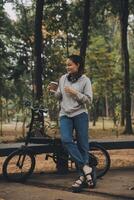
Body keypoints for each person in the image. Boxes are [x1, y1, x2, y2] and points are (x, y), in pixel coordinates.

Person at [47, 54, 96, 193]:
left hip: (80, 114)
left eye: (70, 65)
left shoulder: (85, 80)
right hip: (65, 115)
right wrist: (53, 91)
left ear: (78, 65)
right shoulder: (63, 78)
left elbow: (89, 100)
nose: (67, 67)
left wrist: (75, 92)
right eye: (67, 65)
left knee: (82, 145)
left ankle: (82, 178)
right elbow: (60, 96)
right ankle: (86, 168)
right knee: (66, 140)